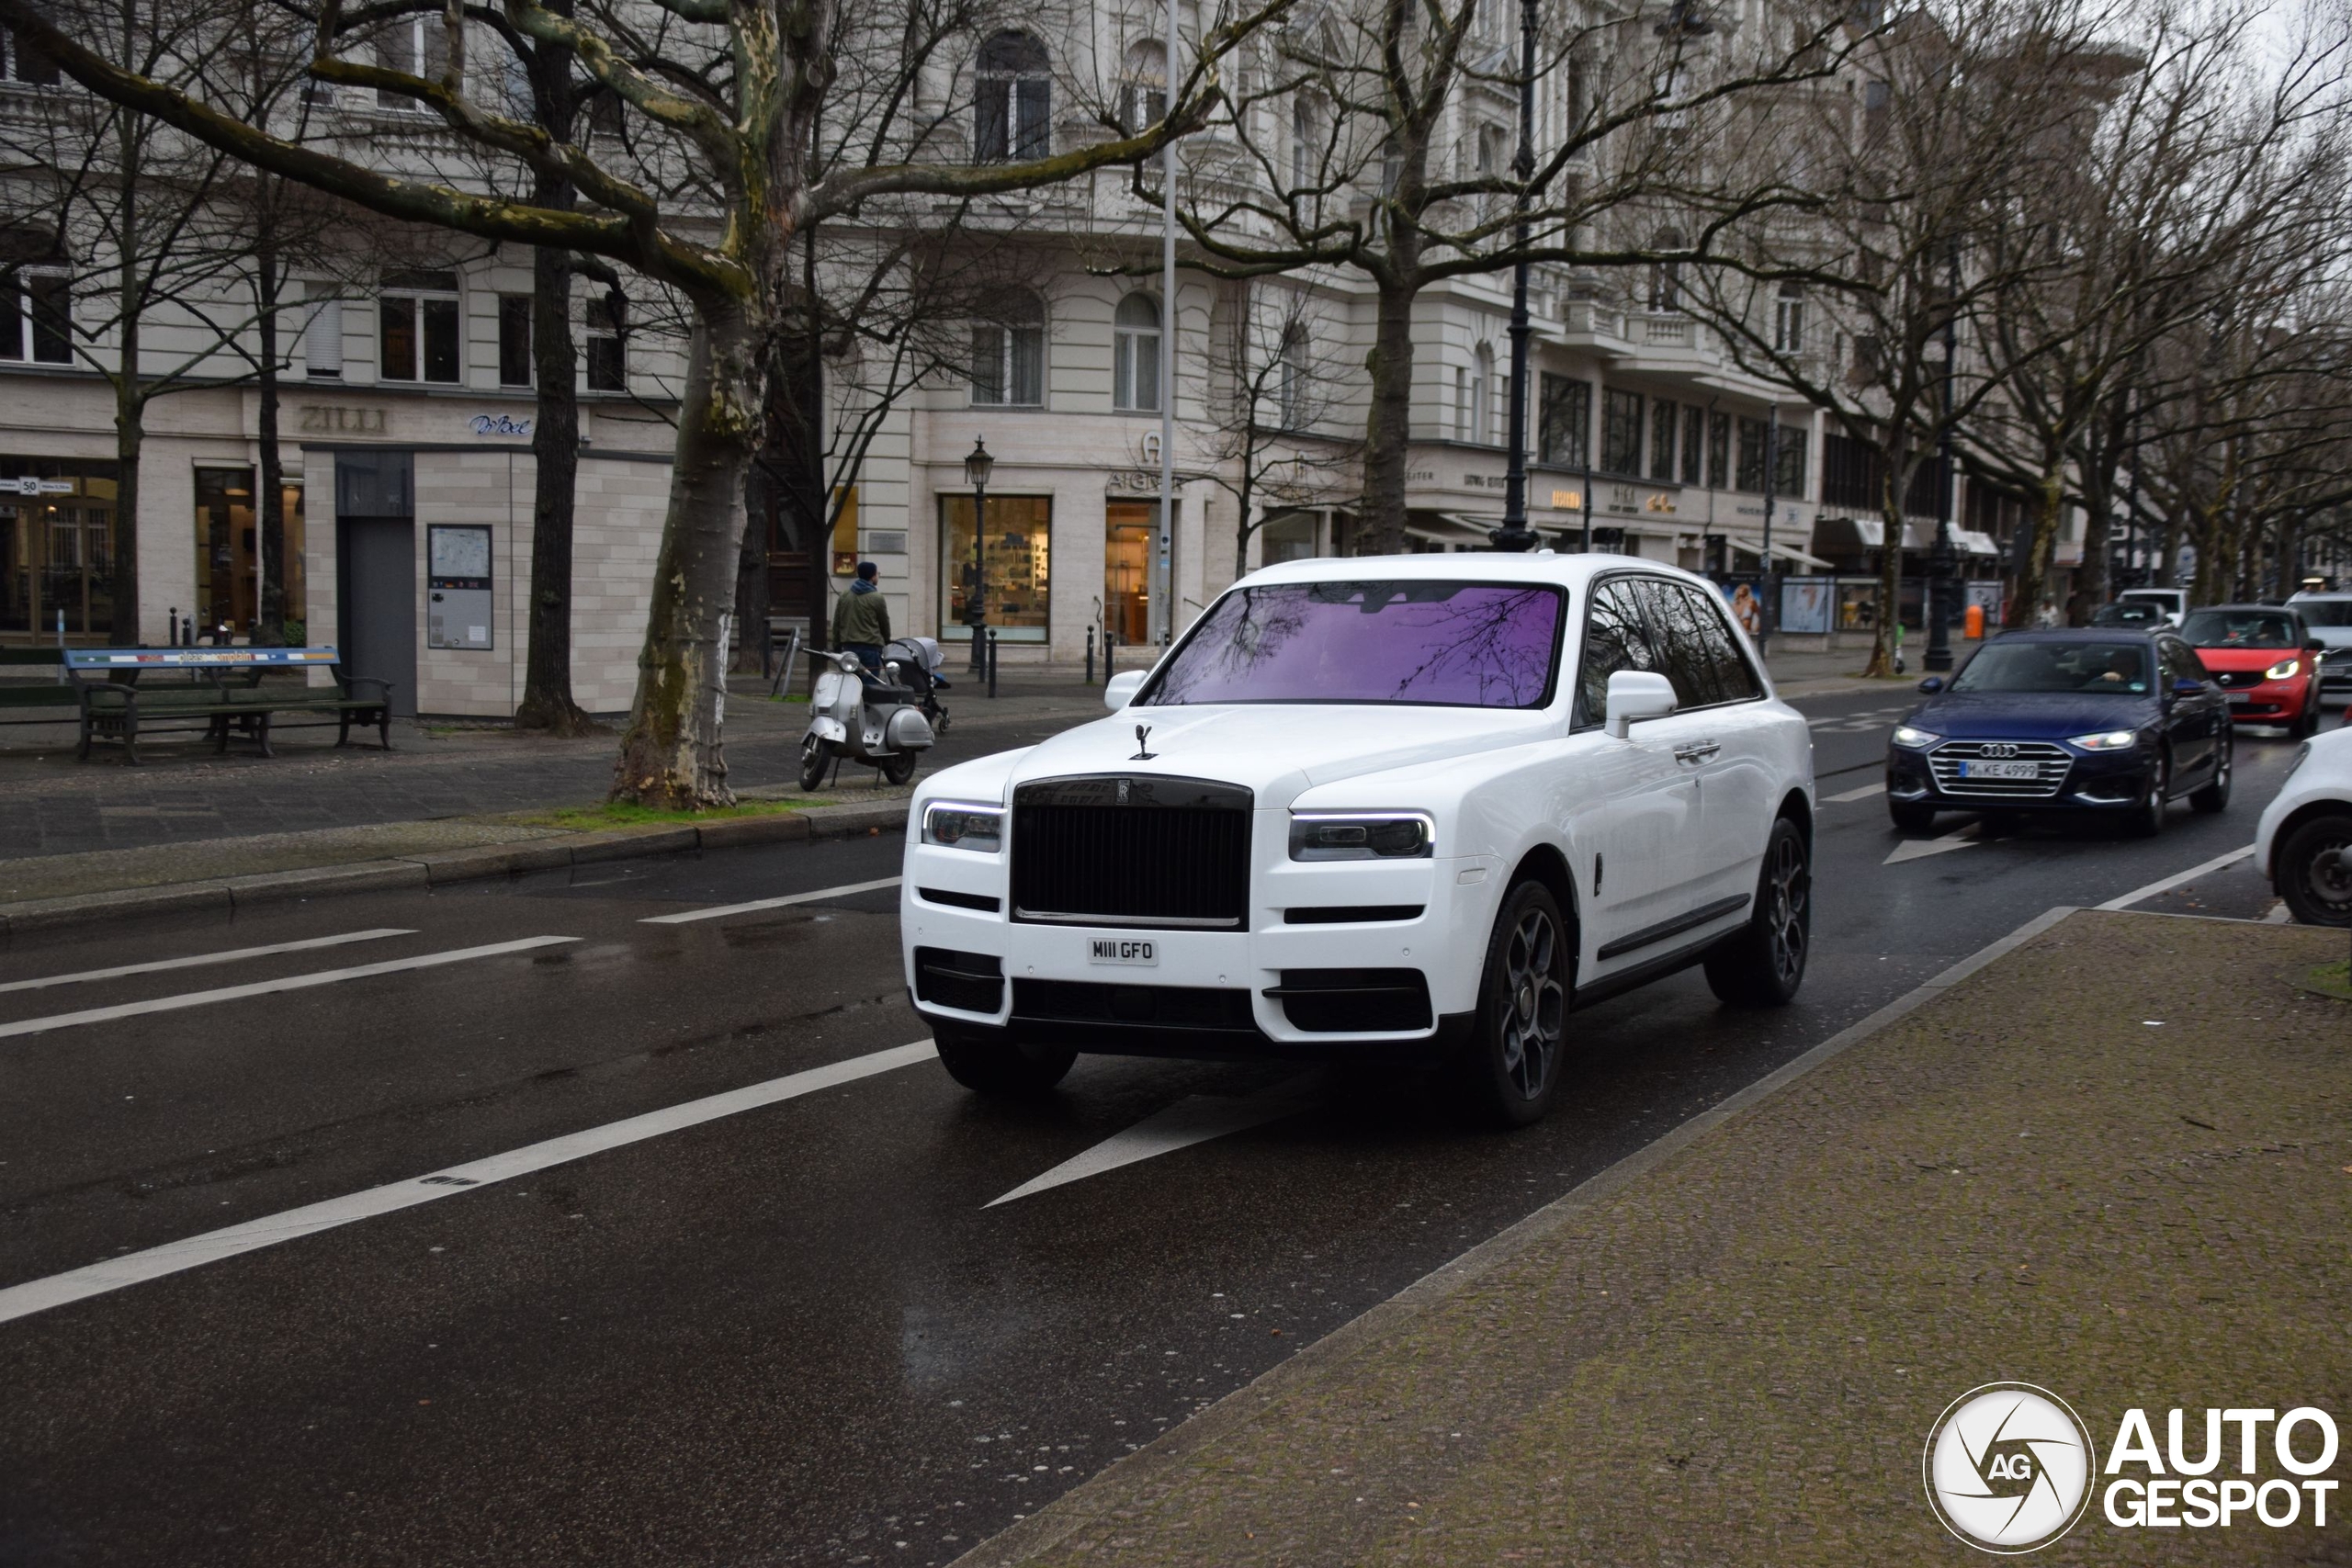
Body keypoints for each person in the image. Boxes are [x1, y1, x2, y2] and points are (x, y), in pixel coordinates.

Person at [832, 560, 891, 673]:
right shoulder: (877, 598)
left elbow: (837, 623)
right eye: (877, 573)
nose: (878, 576)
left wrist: (837, 645)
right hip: (871, 648)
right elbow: (884, 622)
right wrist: (887, 640)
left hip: (848, 648)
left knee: (850, 683)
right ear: (873, 576)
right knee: (871, 684)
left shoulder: (845, 595)